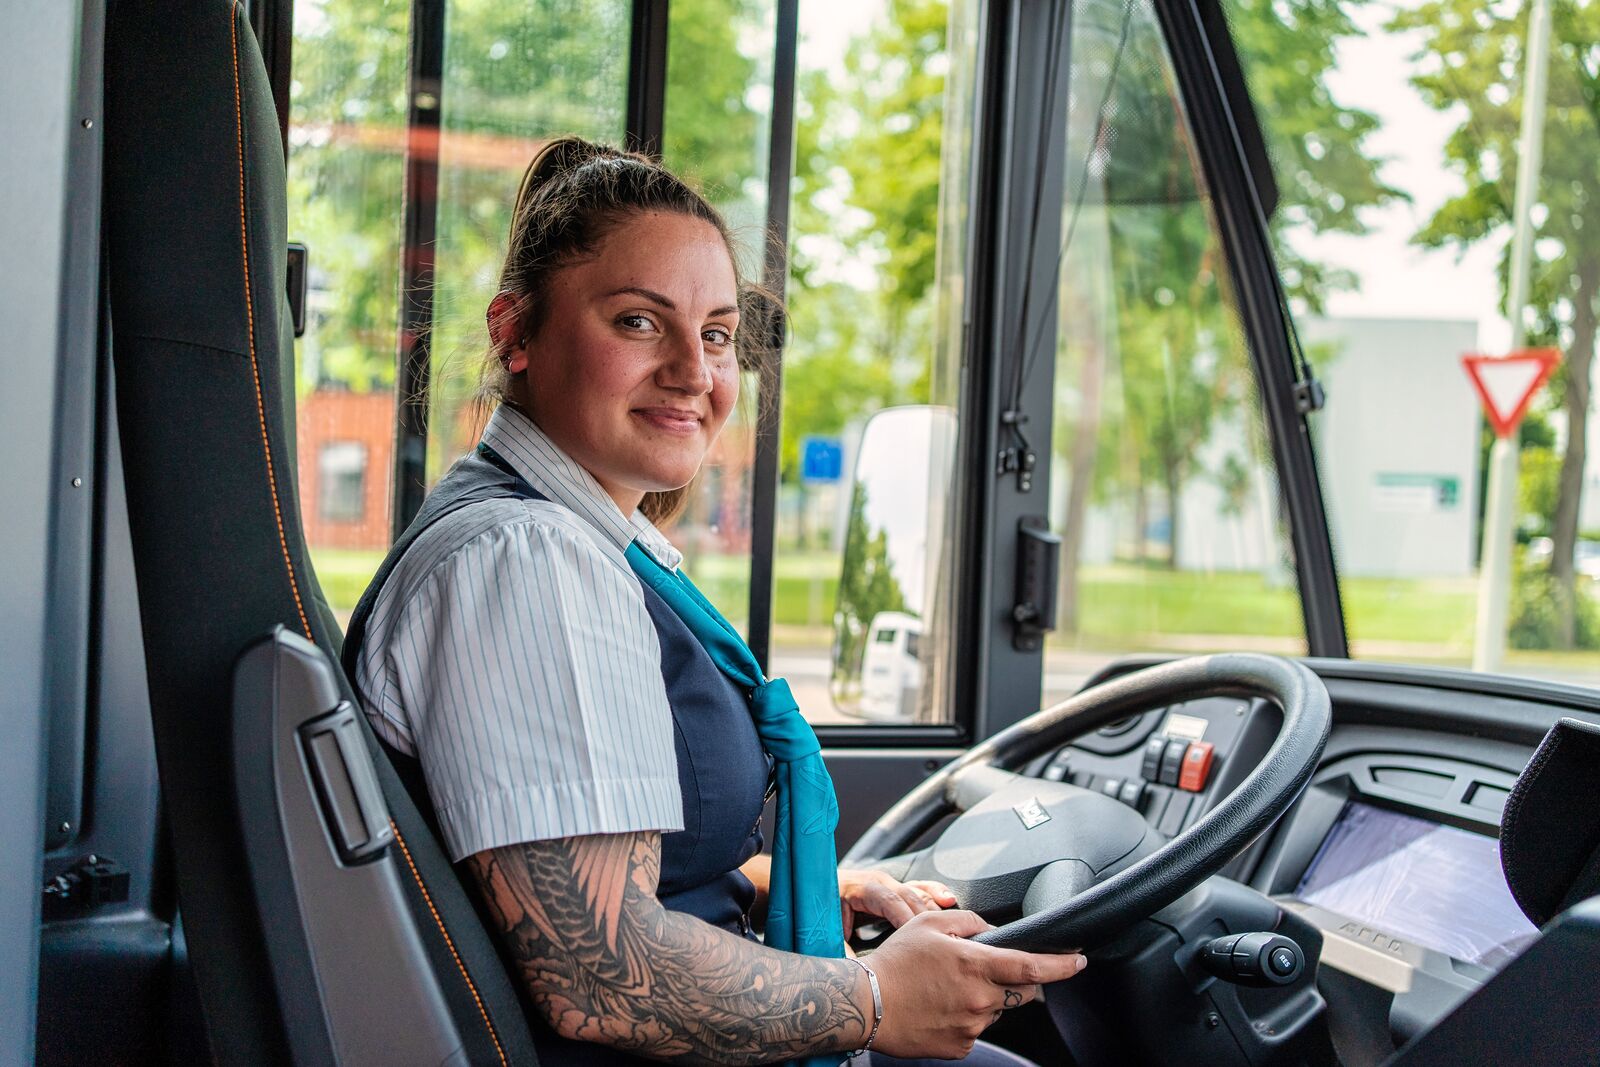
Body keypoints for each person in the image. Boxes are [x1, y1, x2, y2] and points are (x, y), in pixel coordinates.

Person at [344, 136, 1086, 1065]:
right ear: (515, 333)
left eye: (720, 334)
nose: (697, 372)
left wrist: (814, 890)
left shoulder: (575, 540)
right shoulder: (527, 560)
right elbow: (596, 971)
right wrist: (874, 995)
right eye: (639, 323)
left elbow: (617, 873)